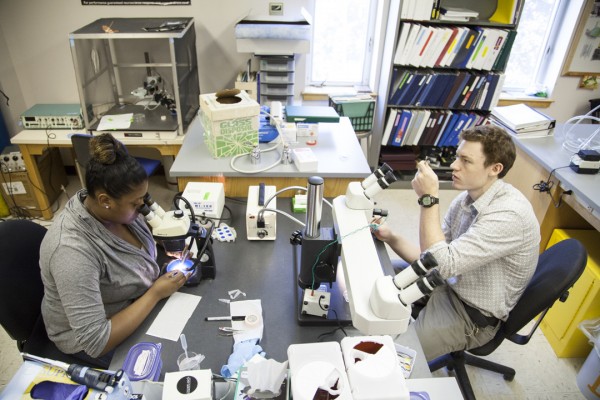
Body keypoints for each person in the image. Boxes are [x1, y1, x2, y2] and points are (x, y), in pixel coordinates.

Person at [373, 124, 540, 361]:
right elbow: (431, 258)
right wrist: (391, 237)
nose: (454, 165)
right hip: (446, 282)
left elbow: (442, 265)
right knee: (381, 276)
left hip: (470, 314)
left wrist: (428, 198)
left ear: (495, 168)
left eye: (466, 160)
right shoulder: (465, 198)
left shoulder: (509, 215)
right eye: (456, 157)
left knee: (395, 356)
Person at [40, 133, 188, 367]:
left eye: (144, 198)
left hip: (133, 300)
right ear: (105, 200)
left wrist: (170, 238)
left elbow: (138, 239)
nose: (143, 208)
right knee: (170, 363)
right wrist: (155, 294)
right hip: (96, 339)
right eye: (136, 203)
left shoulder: (117, 210)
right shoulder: (71, 251)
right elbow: (95, 341)